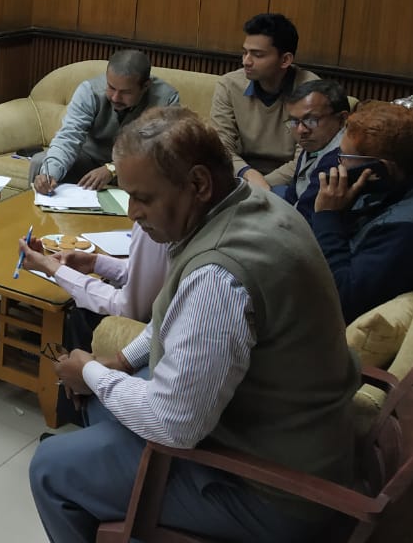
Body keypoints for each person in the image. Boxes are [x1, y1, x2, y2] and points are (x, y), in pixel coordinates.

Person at [31, 108, 358, 543]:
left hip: (273, 493)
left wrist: (88, 369)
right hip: (290, 439)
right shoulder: (253, 207)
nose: (132, 213)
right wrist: (122, 361)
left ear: (199, 184)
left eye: (143, 197)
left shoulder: (219, 275)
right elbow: (177, 312)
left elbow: (174, 425)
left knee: (50, 468)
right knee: (98, 406)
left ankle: (92, 483)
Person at [312, 101, 413, 323]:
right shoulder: (409, 180)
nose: (338, 166)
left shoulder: (409, 227)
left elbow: (344, 300)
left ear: (381, 169)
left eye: (344, 158)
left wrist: (327, 216)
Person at [30, 50, 179, 195]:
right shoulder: (89, 91)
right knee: (41, 163)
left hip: (136, 167)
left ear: (145, 86)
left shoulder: (166, 100)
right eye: (111, 87)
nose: (115, 97)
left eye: (125, 92)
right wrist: (49, 174)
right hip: (89, 160)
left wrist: (113, 168)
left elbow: (159, 151)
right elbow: (69, 137)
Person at [18, 220, 168, 351]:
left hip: (156, 335)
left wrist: (53, 268)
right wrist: (94, 263)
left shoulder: (156, 227)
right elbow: (149, 272)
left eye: (141, 198)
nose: (131, 212)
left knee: (82, 315)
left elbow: (130, 310)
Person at [210, 12, 319, 190]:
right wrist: (247, 173)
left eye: (257, 55)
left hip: (290, 182)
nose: (246, 61)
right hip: (239, 174)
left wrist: (263, 185)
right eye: (244, 53)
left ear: (285, 60)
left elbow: (306, 158)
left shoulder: (312, 92)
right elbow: (220, 146)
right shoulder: (229, 85)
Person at [278, 79, 349, 225]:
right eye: (294, 121)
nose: (301, 130)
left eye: (311, 120)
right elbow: (292, 196)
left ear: (342, 119)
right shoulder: (319, 142)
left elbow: (303, 220)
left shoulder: (340, 159)